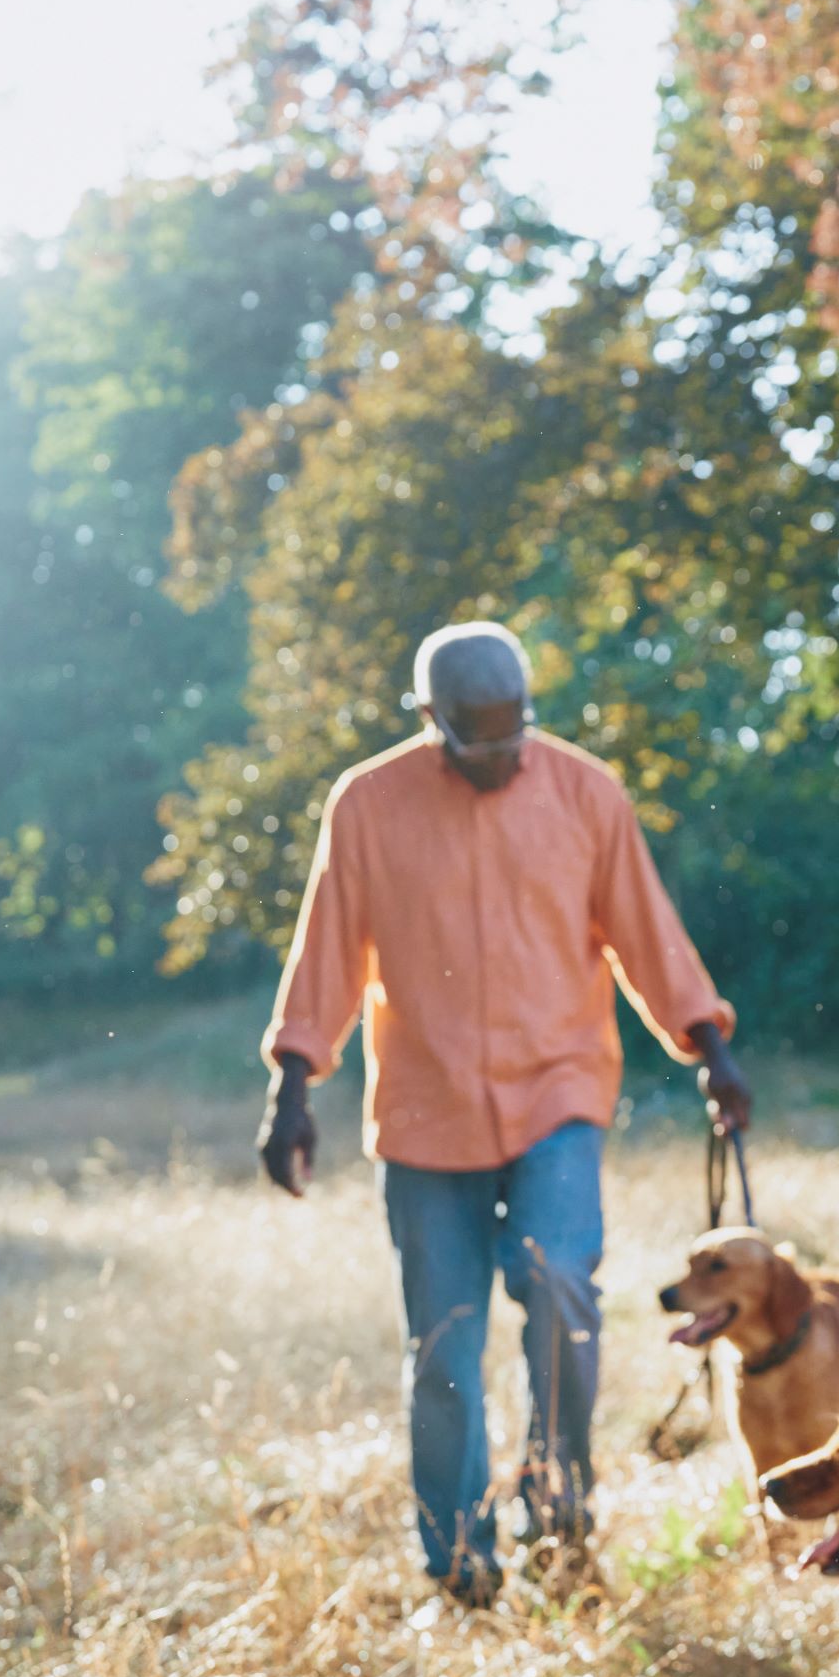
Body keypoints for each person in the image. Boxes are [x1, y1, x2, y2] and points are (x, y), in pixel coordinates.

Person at [254, 620, 751, 1608]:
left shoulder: (583, 791)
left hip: (557, 1088)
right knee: (443, 1337)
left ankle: (561, 1525)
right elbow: (328, 950)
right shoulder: (367, 803)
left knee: (560, 1283)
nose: (506, 754)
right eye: (480, 738)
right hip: (426, 1109)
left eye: (517, 730)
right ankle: (459, 1566)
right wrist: (293, 1083)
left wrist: (709, 1042)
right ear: (431, 718)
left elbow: (644, 929)